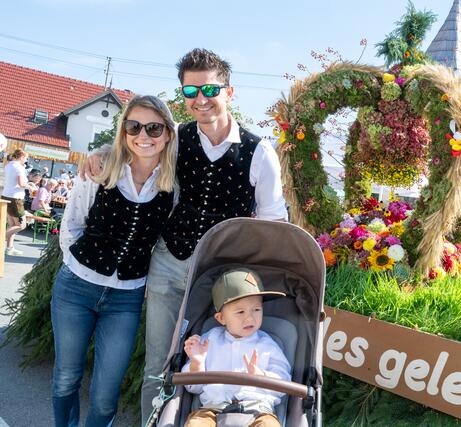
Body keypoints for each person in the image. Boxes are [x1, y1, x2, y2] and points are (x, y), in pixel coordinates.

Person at [82, 49, 287, 423]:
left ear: (229, 92)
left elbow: (273, 222)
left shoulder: (259, 152)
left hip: (221, 276)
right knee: (158, 364)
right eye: (190, 91)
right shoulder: (176, 137)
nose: (200, 99)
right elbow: (136, 149)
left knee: (214, 359)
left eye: (209, 89)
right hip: (170, 262)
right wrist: (101, 151)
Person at [51, 95, 177, 427]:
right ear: (123, 131)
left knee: (106, 395)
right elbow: (72, 225)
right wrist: (78, 265)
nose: (143, 135)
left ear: (168, 134)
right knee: (66, 377)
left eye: (154, 128)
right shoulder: (102, 168)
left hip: (126, 298)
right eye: (134, 127)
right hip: (76, 288)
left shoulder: (172, 185)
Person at [181, 268, 291, 427]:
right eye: (240, 312)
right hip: (212, 409)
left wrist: (262, 376)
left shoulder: (267, 346)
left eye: (256, 310)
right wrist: (197, 363)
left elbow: (284, 383)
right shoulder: (208, 341)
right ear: (221, 318)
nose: (250, 318)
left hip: (258, 410)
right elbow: (193, 388)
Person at [1, 148, 30, 256]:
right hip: (15, 198)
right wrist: (30, 187)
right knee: (21, 225)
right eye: (25, 158)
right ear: (21, 157)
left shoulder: (8, 165)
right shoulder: (19, 167)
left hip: (6, 195)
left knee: (12, 224)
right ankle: (2, 238)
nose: (26, 160)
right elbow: (21, 184)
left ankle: (9, 248)